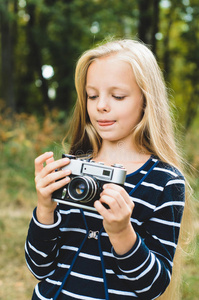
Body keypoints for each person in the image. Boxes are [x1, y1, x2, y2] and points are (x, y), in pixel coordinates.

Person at [25, 39, 188, 300]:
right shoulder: (72, 169)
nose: (101, 105)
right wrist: (45, 209)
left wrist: (123, 232)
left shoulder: (164, 181)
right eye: (92, 95)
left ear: (146, 100)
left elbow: (153, 287)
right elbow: (39, 267)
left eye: (118, 96)